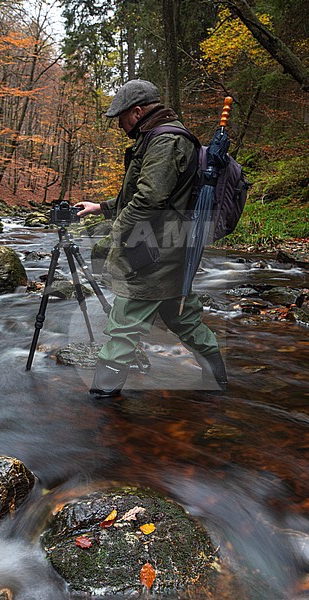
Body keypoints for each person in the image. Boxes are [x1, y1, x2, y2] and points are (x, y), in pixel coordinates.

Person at [77, 79, 227, 397]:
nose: (118, 123)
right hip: (170, 246)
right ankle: (217, 381)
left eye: (121, 116)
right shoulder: (156, 138)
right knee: (182, 316)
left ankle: (102, 400)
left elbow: (150, 199)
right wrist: (100, 207)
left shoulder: (166, 141)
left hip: (157, 248)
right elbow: (141, 194)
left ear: (138, 111)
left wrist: (116, 236)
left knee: (125, 321)